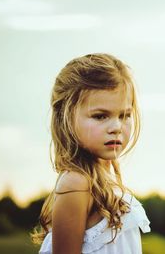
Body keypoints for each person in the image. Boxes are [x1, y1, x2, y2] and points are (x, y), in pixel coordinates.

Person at [31, 53, 151, 254]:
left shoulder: (104, 178)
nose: (116, 127)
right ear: (66, 118)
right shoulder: (76, 182)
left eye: (125, 115)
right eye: (100, 116)